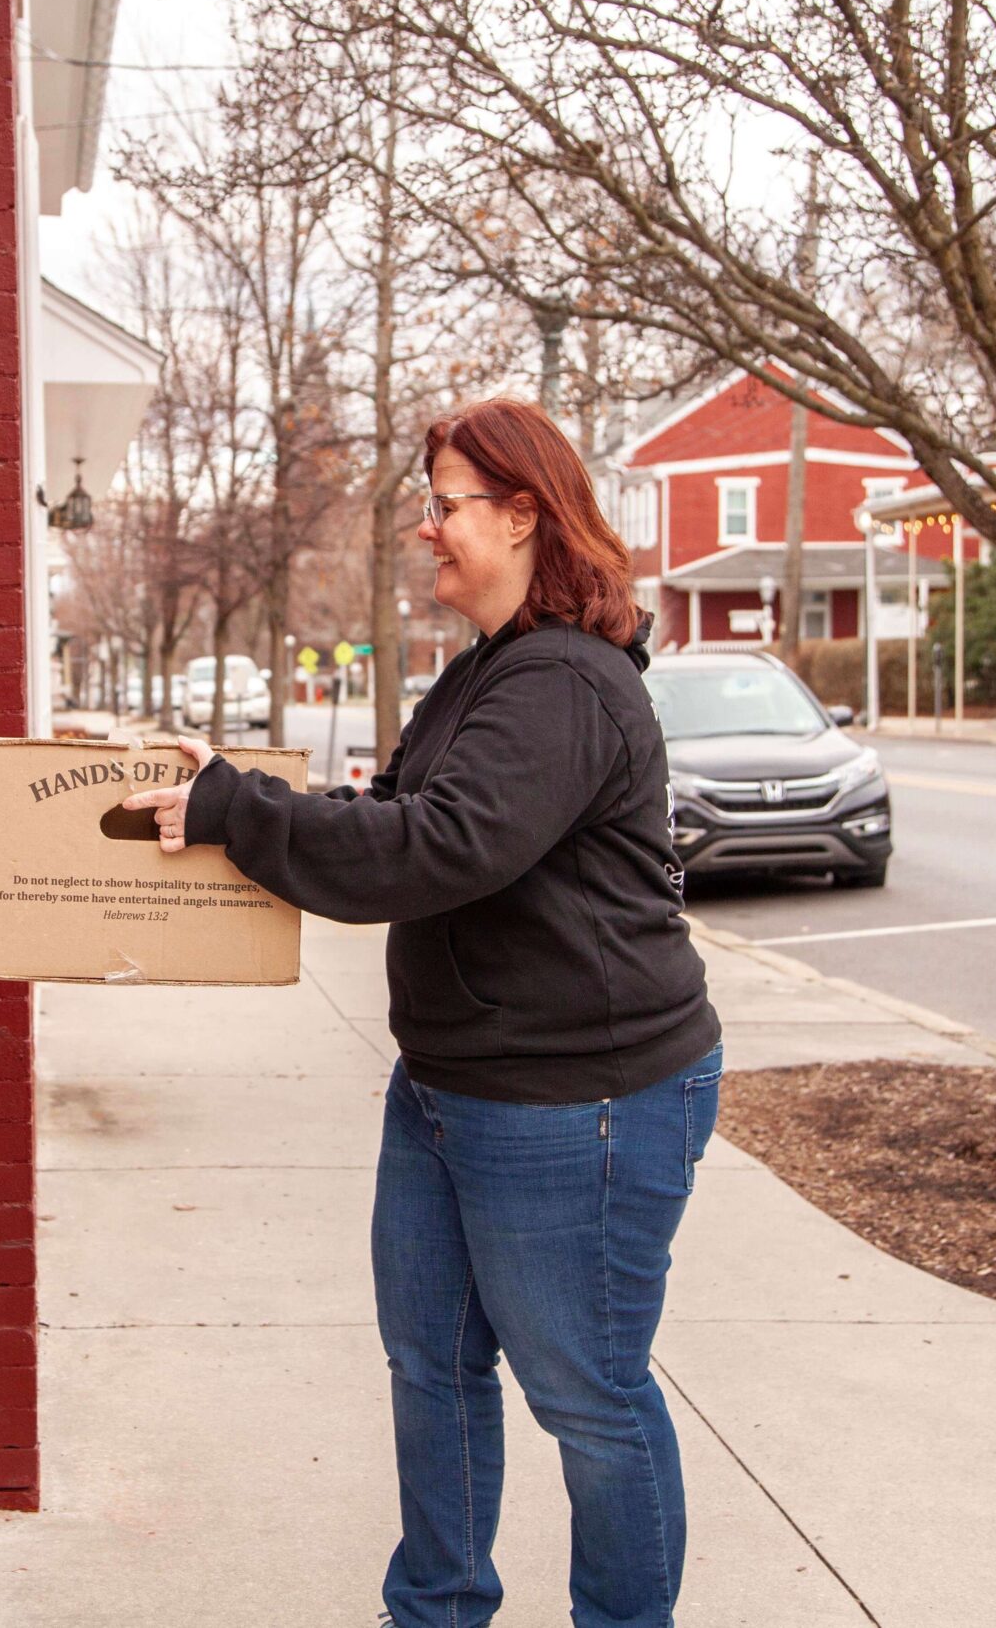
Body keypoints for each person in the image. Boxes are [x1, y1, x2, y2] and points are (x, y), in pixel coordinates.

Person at [125, 398, 724, 1628]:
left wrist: (241, 810)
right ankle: (438, 1608)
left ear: (522, 515)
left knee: (589, 1395)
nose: (426, 526)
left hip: (580, 1101)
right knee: (433, 1367)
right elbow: (394, 815)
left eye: (445, 503)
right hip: (454, 1085)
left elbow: (435, 851)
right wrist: (229, 798)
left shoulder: (562, 681)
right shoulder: (484, 673)